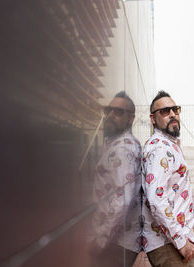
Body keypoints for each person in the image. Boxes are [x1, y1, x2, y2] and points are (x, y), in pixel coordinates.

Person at [141, 91, 194, 266]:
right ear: (153, 119)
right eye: (165, 111)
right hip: (168, 244)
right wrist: (181, 243)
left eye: (175, 109)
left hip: (172, 239)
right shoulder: (159, 149)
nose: (173, 114)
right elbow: (156, 200)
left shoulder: (169, 145)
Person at [88, 91, 142, 267]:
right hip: (117, 239)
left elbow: (122, 200)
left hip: (116, 242)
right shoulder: (120, 143)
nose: (110, 115)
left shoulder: (122, 149)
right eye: (108, 110)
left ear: (130, 119)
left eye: (118, 112)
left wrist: (100, 239)